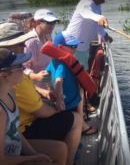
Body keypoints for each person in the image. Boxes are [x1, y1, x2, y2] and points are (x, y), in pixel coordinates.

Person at [0, 23, 82, 165]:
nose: (24, 47)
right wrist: (59, 107)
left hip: (20, 136)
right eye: (20, 67)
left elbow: (13, 128)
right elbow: (41, 112)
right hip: (26, 128)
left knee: (60, 149)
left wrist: (45, 92)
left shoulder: (11, 89)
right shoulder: (5, 102)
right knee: (75, 119)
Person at [0, 48, 67, 165]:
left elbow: (13, 131)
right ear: (4, 76)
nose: (24, 69)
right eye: (19, 67)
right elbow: (2, 160)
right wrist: (32, 158)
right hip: (8, 160)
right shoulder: (1, 112)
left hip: (16, 150)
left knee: (60, 149)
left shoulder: (11, 93)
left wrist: (34, 154)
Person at [67, 0, 113, 113]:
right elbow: (89, 15)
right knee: (80, 79)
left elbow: (95, 23)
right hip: (75, 48)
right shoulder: (86, 4)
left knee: (81, 77)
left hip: (83, 47)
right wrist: (100, 17)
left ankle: (81, 104)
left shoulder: (97, 5)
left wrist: (104, 35)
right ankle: (80, 107)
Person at [46, 31, 98, 135]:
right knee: (73, 124)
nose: (75, 49)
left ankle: (80, 125)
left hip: (71, 98)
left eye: (76, 46)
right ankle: (77, 139)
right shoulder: (62, 65)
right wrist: (59, 99)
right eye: (73, 46)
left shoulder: (54, 60)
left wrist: (50, 88)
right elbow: (59, 82)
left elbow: (46, 74)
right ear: (60, 48)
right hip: (70, 102)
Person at [24, 9, 60, 91]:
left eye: (54, 22)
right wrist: (36, 77)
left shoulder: (48, 37)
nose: (52, 25)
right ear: (37, 22)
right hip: (35, 88)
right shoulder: (30, 42)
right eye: (49, 22)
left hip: (49, 85)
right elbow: (23, 68)